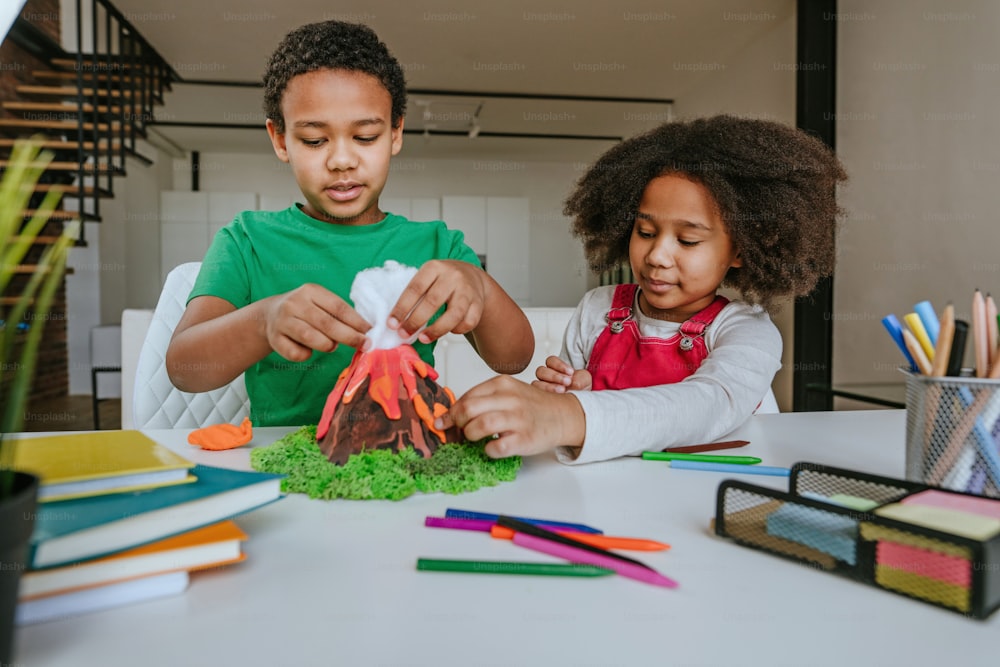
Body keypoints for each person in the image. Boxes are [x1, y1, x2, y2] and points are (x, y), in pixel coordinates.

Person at [166, 20, 533, 426]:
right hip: (289, 468)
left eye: (365, 137)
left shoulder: (438, 246)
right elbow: (184, 368)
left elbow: (514, 359)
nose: (342, 160)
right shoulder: (246, 240)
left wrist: (477, 281)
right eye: (314, 140)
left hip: (406, 454)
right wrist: (264, 319)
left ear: (395, 134)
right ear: (280, 140)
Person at [439, 115, 847, 463]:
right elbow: (570, 404)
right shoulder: (597, 310)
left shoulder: (748, 331)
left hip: (717, 487)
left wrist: (567, 414)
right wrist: (565, 392)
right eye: (645, 231)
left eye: (687, 241)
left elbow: (710, 404)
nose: (657, 256)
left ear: (739, 250)